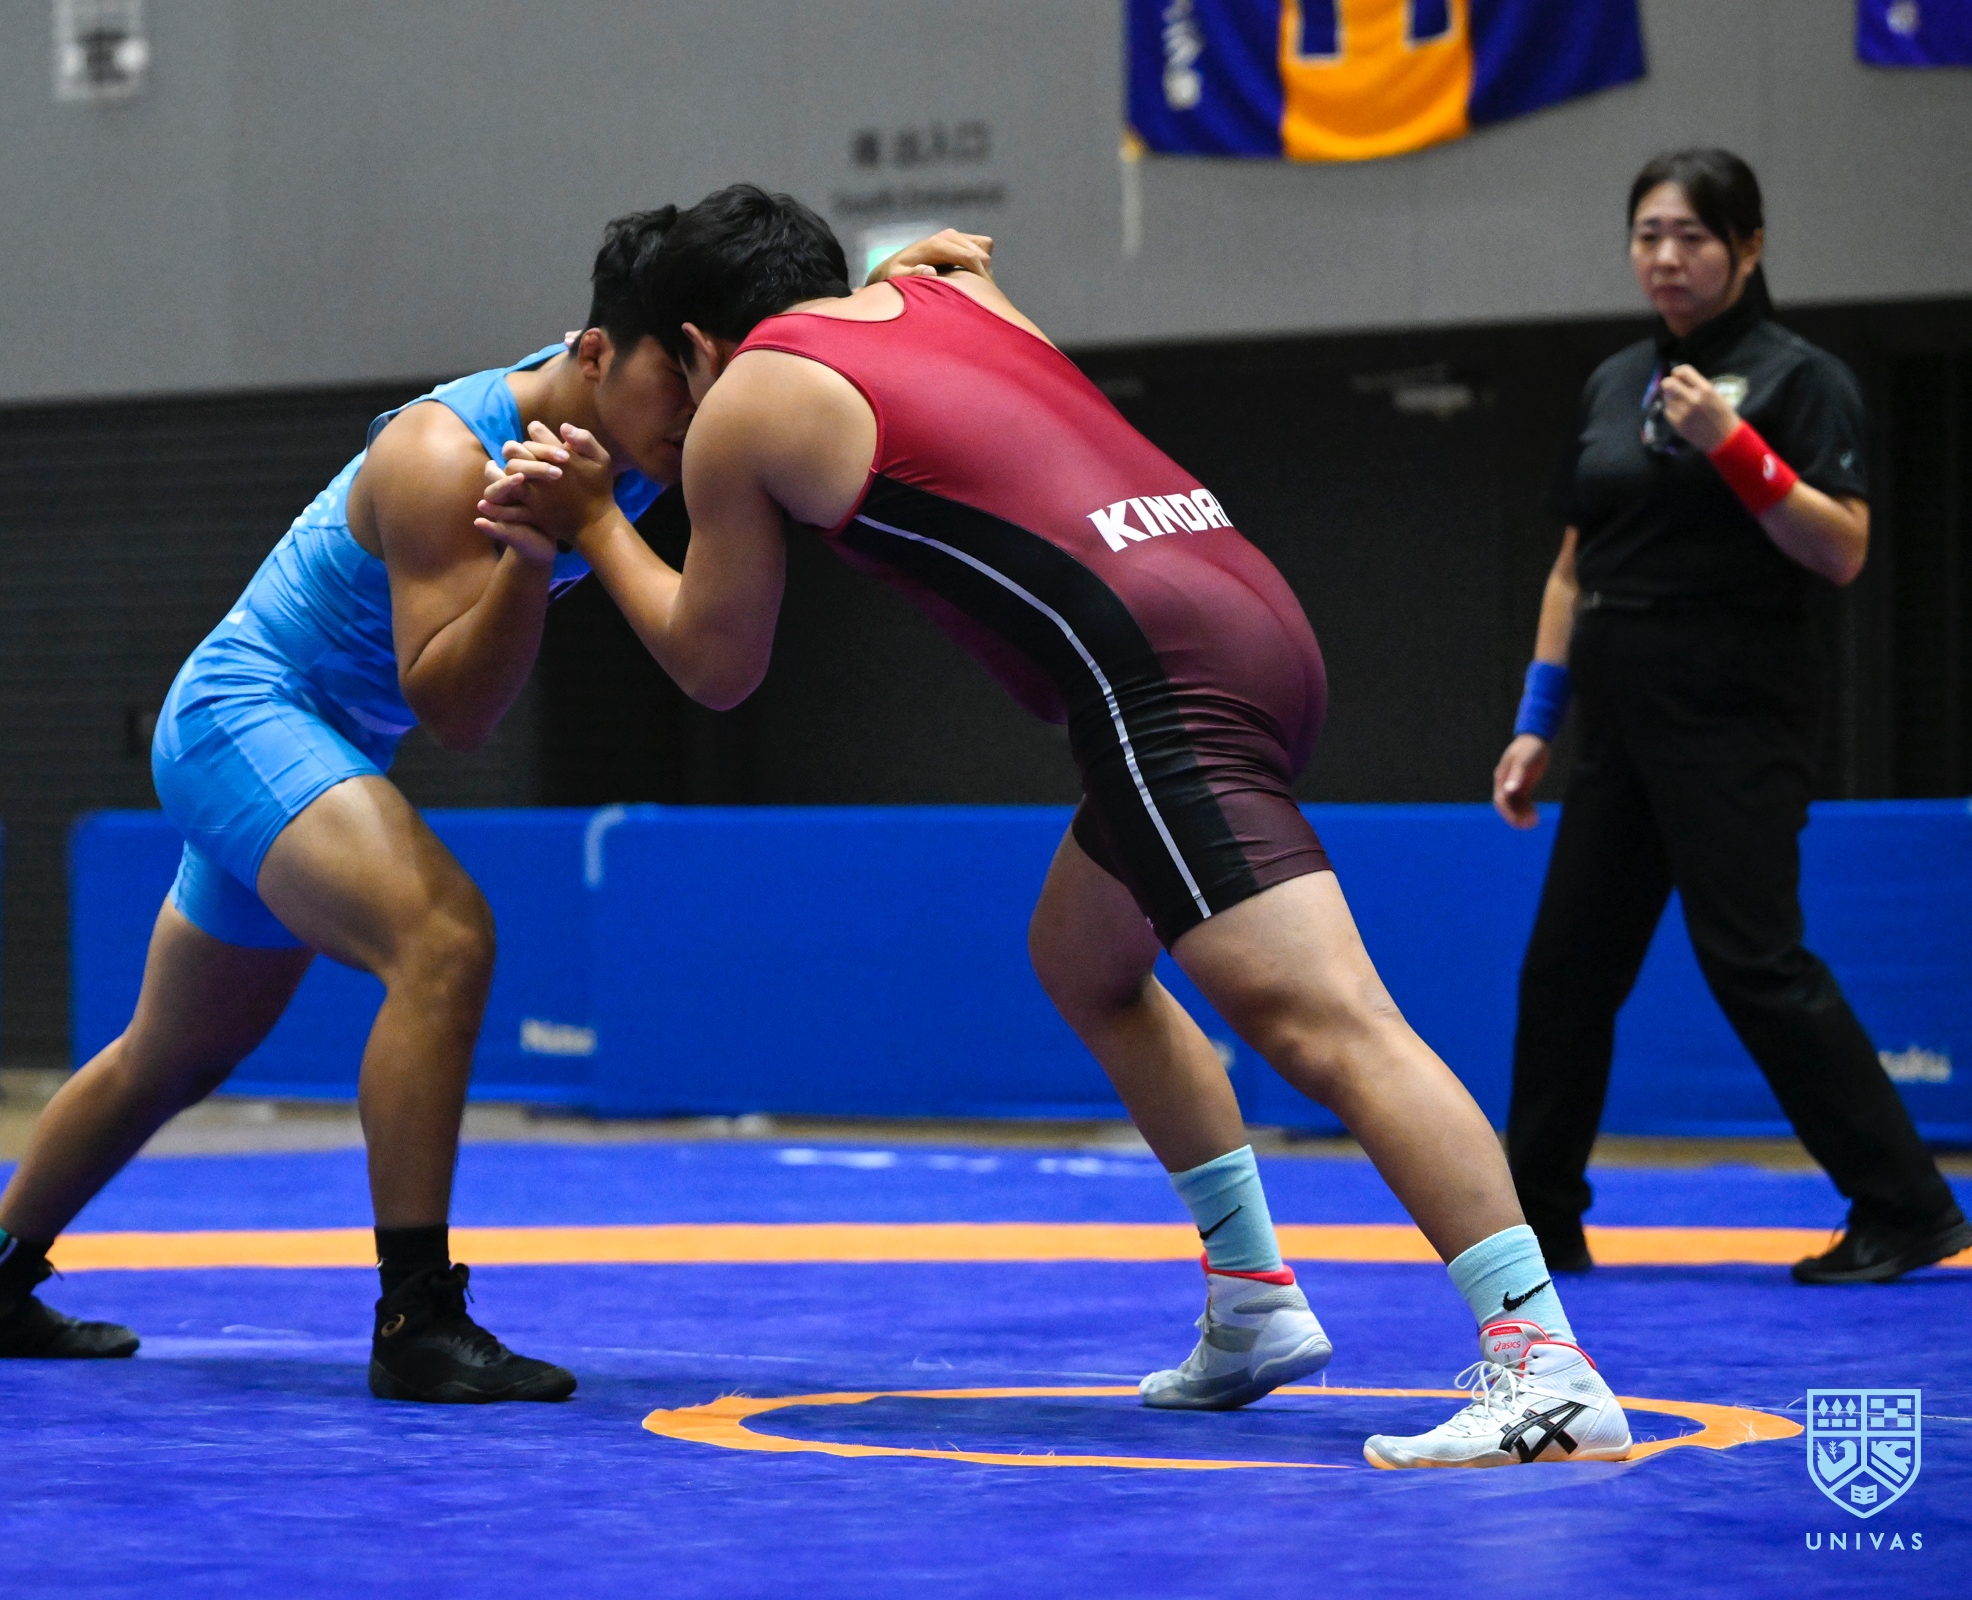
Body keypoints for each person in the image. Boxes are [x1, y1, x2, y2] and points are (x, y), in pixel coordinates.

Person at [478, 186, 1633, 1468]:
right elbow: (945, 344)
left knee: (1329, 1022)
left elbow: (715, 665)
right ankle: (1253, 1300)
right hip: (1251, 613)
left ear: (697, 343)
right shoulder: (950, 294)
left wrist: (593, 521)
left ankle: (1543, 1366)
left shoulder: (743, 395)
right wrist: (902, 271)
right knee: (1083, 959)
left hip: (1160, 679)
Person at [0, 211, 700, 1399]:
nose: (694, 411)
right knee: (442, 938)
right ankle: (416, 1318)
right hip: (247, 717)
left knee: (170, 1055)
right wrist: (533, 556)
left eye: (711, 378)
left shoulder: (630, 451)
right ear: (595, 354)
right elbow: (457, 712)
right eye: (674, 378)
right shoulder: (445, 453)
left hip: (316, 744)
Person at [1492, 149, 1969, 1286]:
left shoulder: (1802, 380)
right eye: (1646, 234)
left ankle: (1904, 1207)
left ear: (1747, 247)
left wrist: (1733, 447)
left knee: (1753, 961)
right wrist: (1536, 718)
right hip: (1617, 720)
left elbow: (1841, 550)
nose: (1665, 257)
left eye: (1691, 236)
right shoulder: (1614, 382)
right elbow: (1572, 567)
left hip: (1734, 715)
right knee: (1565, 970)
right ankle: (1536, 1224)